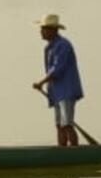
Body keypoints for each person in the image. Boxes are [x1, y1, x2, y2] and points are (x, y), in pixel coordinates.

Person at [32, 14, 84, 147]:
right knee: (59, 125)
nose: (41, 32)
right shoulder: (49, 47)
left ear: (53, 30)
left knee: (67, 125)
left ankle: (75, 153)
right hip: (56, 91)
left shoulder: (63, 46)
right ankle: (62, 151)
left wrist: (41, 83)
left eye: (44, 29)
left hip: (66, 90)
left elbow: (57, 69)